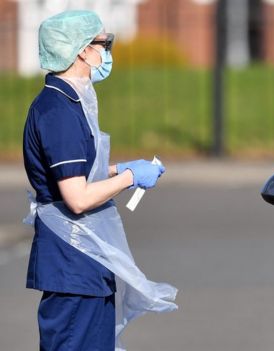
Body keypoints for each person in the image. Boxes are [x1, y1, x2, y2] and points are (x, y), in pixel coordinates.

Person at [23, 10, 176, 350]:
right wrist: (130, 177)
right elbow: (76, 196)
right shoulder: (58, 110)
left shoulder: (70, 102)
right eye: (104, 44)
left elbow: (75, 173)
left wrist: (118, 169)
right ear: (81, 50)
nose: (107, 52)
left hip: (86, 265)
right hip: (72, 266)